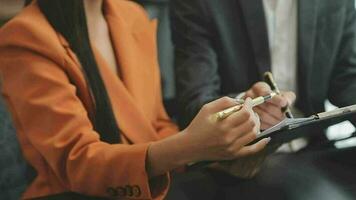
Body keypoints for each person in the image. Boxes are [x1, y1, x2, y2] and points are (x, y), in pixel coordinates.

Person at [0, 0, 271, 199]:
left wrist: (218, 148)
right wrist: (190, 147)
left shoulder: (130, 14)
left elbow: (156, 126)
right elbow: (78, 163)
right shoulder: (26, 36)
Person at [171, 0, 356, 148]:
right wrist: (244, 105)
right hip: (235, 159)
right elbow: (192, 105)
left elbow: (345, 79)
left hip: (315, 148)